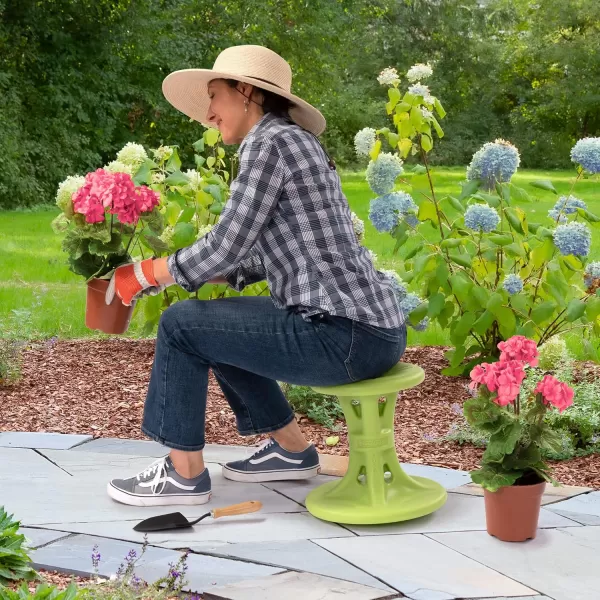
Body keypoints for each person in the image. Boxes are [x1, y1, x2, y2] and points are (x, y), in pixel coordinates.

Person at [105, 45, 406, 507]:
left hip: (343, 336)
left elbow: (227, 241)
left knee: (182, 325)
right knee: (213, 324)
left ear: (246, 92)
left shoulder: (270, 144)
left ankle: (183, 475)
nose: (208, 112)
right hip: (370, 331)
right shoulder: (292, 141)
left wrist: (147, 274)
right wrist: (213, 276)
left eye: (215, 96)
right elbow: (274, 255)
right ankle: (291, 450)